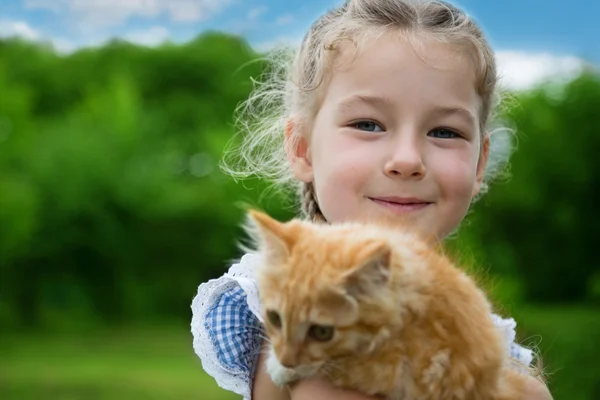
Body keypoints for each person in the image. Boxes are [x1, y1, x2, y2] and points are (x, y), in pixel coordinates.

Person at [191, 0, 553, 399]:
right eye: (367, 124)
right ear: (303, 148)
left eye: (445, 132)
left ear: (480, 161)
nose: (407, 160)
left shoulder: (475, 329)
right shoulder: (297, 304)